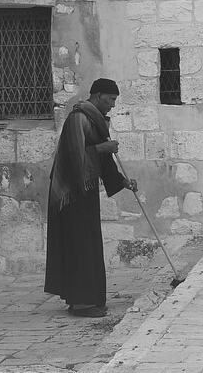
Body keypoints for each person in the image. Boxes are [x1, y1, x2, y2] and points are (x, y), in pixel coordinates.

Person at [44, 78, 138, 318]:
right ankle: (81, 304)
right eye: (110, 100)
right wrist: (102, 149)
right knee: (80, 246)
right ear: (97, 97)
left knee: (89, 244)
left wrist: (122, 182)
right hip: (71, 192)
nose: (113, 106)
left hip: (84, 191)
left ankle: (89, 298)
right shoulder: (78, 118)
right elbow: (73, 155)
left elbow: (103, 162)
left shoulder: (96, 121)